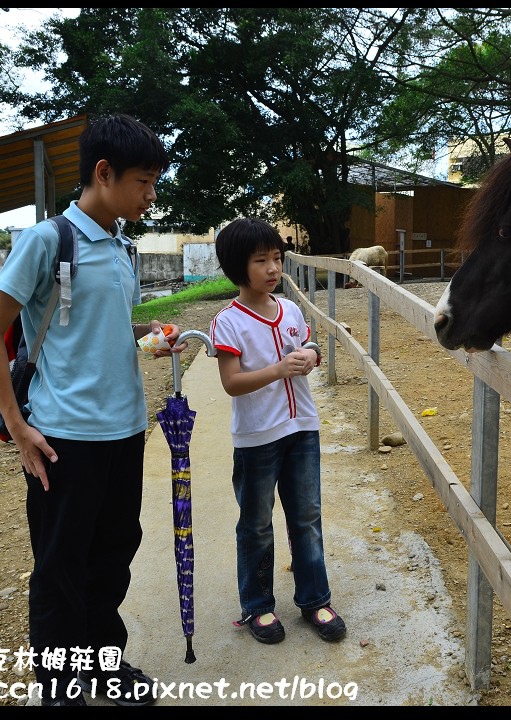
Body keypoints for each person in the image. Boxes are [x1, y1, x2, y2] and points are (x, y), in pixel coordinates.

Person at [0, 113, 183, 707]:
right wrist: (18, 427)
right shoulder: (47, 240)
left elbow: (101, 327)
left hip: (125, 430)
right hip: (64, 438)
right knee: (61, 565)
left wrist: (150, 336)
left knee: (114, 557)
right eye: (143, 182)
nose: (151, 194)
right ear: (103, 172)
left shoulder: (121, 247)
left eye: (154, 182)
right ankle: (60, 685)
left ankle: (104, 666)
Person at [210, 217, 346, 645]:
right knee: (255, 524)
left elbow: (310, 346)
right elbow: (231, 383)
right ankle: (257, 606)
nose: (273, 268)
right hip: (256, 439)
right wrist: (277, 370)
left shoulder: (289, 309)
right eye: (260, 260)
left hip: (303, 429)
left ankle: (315, 599)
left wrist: (310, 354)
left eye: (277, 258)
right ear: (238, 266)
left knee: (306, 518)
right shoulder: (227, 322)